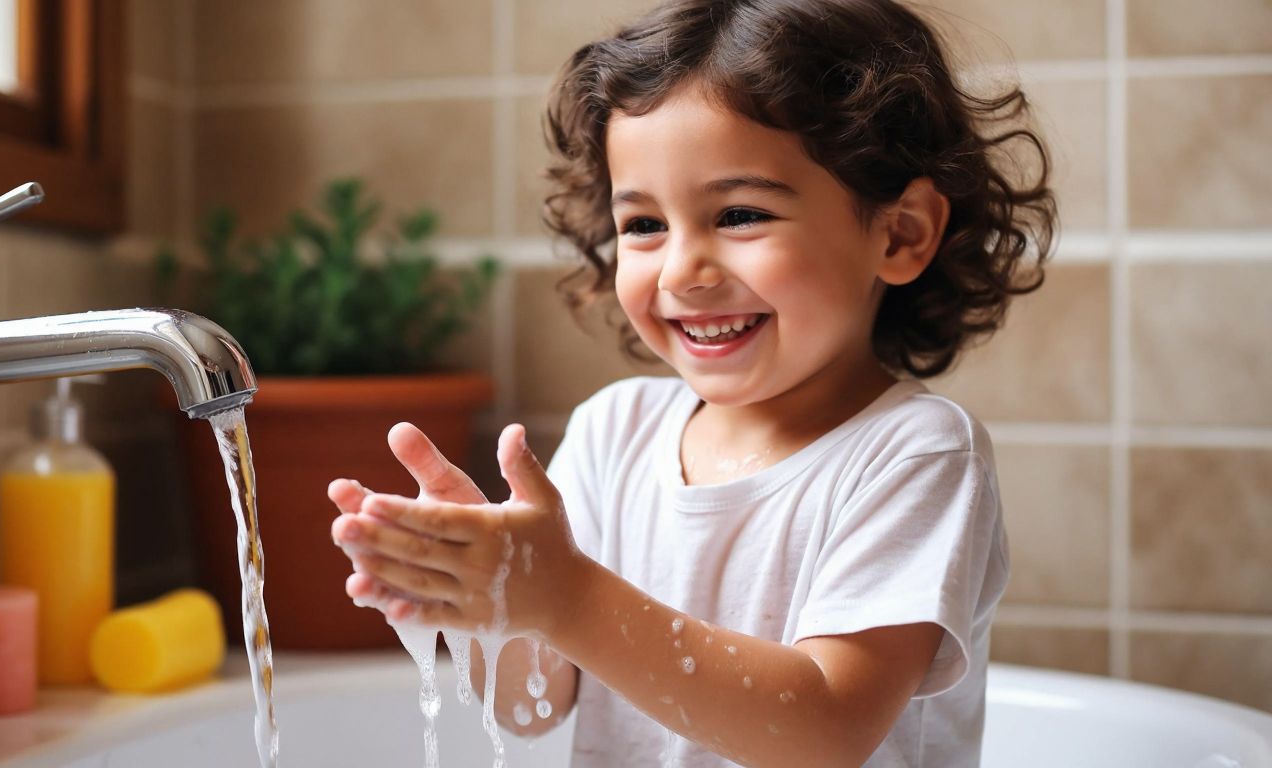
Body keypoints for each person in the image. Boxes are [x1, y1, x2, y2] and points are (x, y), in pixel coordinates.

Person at [327, 0, 1055, 765]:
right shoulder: (616, 432)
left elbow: (829, 728)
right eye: (643, 225)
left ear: (900, 232)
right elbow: (532, 705)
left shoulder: (914, 455)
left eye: (739, 214)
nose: (681, 271)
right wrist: (484, 602)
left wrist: (566, 594)